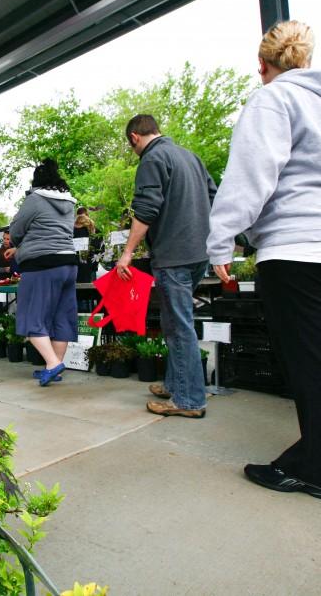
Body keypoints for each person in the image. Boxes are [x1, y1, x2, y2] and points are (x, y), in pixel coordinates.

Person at [207, 20, 321, 501]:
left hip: (299, 242)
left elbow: (252, 174)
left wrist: (220, 241)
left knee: (305, 355)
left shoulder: (273, 98)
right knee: (319, 346)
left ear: (263, 66)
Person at [116, 115, 218, 418]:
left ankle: (189, 400)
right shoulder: (190, 156)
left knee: (178, 326)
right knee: (175, 322)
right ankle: (176, 383)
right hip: (200, 253)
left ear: (134, 137)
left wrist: (127, 253)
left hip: (174, 254)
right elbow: (215, 198)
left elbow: (146, 209)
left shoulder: (153, 158)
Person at [6, 159, 77, 386]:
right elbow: (53, 231)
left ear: (36, 182)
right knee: (61, 317)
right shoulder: (70, 203)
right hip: (69, 264)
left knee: (31, 316)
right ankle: (52, 366)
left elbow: (16, 229)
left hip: (42, 266)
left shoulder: (34, 199)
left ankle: (52, 363)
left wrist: (18, 244)